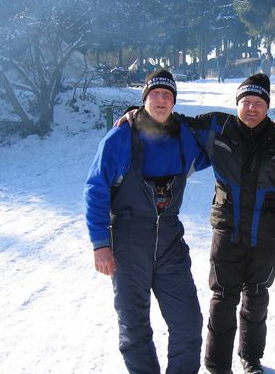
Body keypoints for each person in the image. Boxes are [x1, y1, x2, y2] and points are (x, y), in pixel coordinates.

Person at [117, 73, 275, 374]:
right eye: (246, 101)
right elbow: (172, 119)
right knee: (223, 299)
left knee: (256, 299)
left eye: (258, 103)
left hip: (265, 236)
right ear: (237, 103)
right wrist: (136, 113)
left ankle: (251, 358)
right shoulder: (217, 126)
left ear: (268, 106)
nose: (251, 108)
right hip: (227, 232)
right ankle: (217, 366)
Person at [84, 70, 210, 374]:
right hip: (128, 242)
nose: (161, 100)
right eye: (155, 94)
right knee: (134, 325)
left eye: (168, 95)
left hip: (170, 242)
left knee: (188, 322)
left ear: (174, 102)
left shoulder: (185, 138)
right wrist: (100, 244)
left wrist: (266, 127)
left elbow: (227, 145)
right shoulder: (120, 138)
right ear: (144, 98)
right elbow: (96, 189)